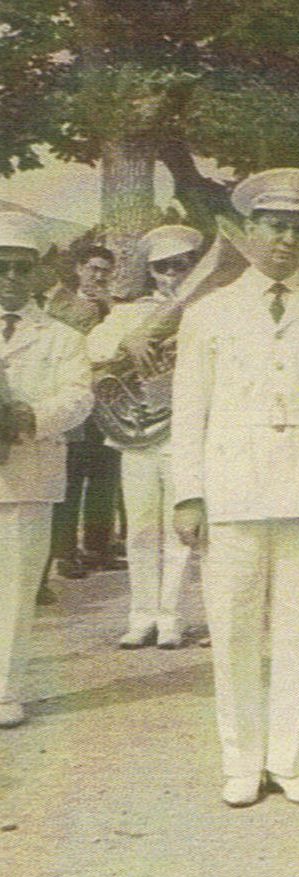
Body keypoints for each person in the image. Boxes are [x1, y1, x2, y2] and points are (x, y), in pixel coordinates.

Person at [171, 167, 299, 807]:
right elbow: (188, 410)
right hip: (231, 487)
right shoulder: (210, 312)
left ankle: (289, 758)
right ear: (249, 231)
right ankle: (241, 760)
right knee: (232, 630)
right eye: (275, 226)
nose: (287, 240)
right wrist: (188, 494)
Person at [85, 224, 204, 649]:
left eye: (180, 266)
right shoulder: (133, 311)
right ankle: (141, 615)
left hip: (183, 429)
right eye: (162, 268)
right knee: (140, 528)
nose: (171, 275)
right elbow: (95, 351)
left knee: (178, 529)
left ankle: (170, 617)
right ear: (151, 273)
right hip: (137, 430)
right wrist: (131, 337)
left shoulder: (207, 310)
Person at [0, 211, 93, 729]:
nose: (11, 279)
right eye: (1, 267)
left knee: (14, 587)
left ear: (38, 273)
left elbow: (79, 398)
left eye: (21, 268)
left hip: (27, 476)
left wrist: (30, 415)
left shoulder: (62, 337)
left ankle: (5, 690)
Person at [47, 245, 123, 581]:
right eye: (93, 268)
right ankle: (64, 553)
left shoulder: (114, 305)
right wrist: (95, 307)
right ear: (78, 269)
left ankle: (98, 547)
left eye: (105, 270)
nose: (99, 276)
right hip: (73, 396)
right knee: (72, 478)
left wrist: (109, 306)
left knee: (105, 475)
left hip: (106, 400)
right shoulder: (60, 301)